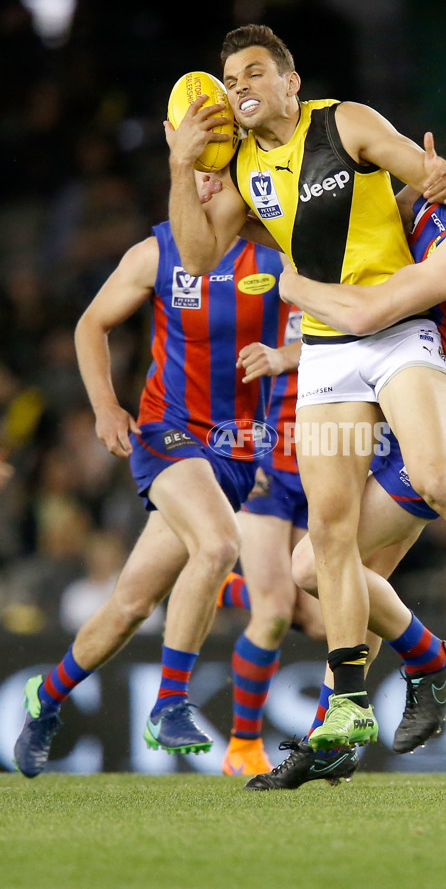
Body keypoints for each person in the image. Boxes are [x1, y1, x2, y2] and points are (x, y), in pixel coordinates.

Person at [245, 93, 446, 790]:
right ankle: (345, 729)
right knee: (350, 579)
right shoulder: (436, 199)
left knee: (314, 567)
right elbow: (364, 255)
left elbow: (364, 306)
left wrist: (291, 286)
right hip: (403, 391)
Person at [165, 23, 446, 751]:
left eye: (255, 72)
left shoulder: (344, 121)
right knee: (324, 542)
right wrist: (181, 168)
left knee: (428, 486)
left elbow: (418, 171)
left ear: (291, 82)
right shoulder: (240, 172)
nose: (241, 88)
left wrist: (443, 178)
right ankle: (368, 692)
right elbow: (201, 254)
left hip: (396, 334)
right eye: (231, 80)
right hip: (328, 353)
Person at [12, 225, 297, 778]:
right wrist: (105, 407)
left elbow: (335, 333)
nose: (207, 184)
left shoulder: (279, 258)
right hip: (165, 432)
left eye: (218, 173)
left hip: (237, 453)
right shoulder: (157, 253)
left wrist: (286, 355)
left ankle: (44, 697)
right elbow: (91, 323)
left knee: (131, 606)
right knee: (217, 546)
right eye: (199, 175)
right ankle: (170, 704)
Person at [220, 305, 327, 777]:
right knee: (275, 613)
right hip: (265, 455)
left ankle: (223, 586)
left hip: (327, 460)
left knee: (324, 621)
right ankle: (244, 745)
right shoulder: (266, 275)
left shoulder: (358, 277)